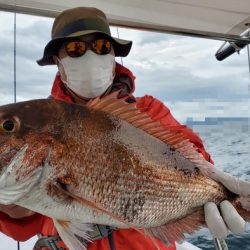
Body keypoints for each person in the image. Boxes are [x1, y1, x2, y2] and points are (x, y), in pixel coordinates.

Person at [0, 6, 247, 250]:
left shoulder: (147, 111)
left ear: (112, 56)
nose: (89, 55)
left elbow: (192, 157)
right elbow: (22, 228)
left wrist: (215, 189)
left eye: (101, 47)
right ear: (58, 62)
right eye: (75, 49)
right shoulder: (44, 119)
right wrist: (11, 207)